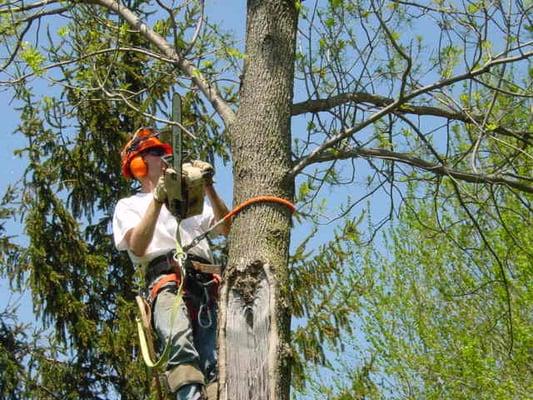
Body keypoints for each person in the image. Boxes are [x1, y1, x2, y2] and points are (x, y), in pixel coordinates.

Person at [112, 127, 230, 400]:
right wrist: (157, 199)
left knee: (213, 360)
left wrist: (208, 186)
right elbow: (138, 245)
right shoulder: (129, 206)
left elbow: (226, 227)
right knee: (179, 344)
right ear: (139, 164)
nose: (164, 159)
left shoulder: (188, 202)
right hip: (167, 283)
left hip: (204, 285)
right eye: (155, 153)